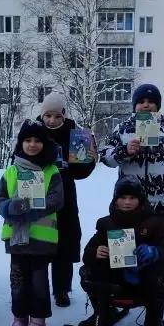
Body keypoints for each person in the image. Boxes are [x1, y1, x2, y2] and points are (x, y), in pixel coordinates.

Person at [73, 177, 164, 326]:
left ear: (140, 199)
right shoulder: (106, 223)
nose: (127, 202)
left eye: (132, 198)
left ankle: (154, 322)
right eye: (122, 198)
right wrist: (96, 252)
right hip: (117, 277)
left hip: (145, 278)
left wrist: (155, 252)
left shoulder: (156, 222)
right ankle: (104, 313)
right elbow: (87, 254)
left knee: (156, 275)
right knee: (88, 272)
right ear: (115, 200)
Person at [0, 121, 64, 326]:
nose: (32, 144)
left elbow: (57, 200)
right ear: (21, 143)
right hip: (16, 237)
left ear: (44, 144)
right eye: (28, 140)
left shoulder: (51, 170)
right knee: (18, 280)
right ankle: (20, 316)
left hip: (41, 238)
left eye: (37, 140)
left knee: (38, 281)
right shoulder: (11, 170)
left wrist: (31, 209)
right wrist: (9, 207)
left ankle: (38, 320)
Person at [34, 92, 95, 307]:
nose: (52, 120)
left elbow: (81, 173)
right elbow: (20, 159)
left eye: (57, 116)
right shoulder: (33, 132)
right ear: (42, 115)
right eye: (48, 115)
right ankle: (38, 287)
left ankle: (62, 289)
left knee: (65, 243)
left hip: (65, 197)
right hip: (39, 195)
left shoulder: (75, 134)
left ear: (64, 115)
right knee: (40, 243)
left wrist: (87, 158)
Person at [99, 83, 164, 219]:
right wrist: (124, 151)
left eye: (151, 101)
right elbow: (106, 157)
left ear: (158, 105)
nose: (146, 105)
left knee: (161, 234)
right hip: (128, 204)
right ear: (134, 105)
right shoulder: (122, 129)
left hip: (162, 204)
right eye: (141, 102)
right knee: (130, 233)